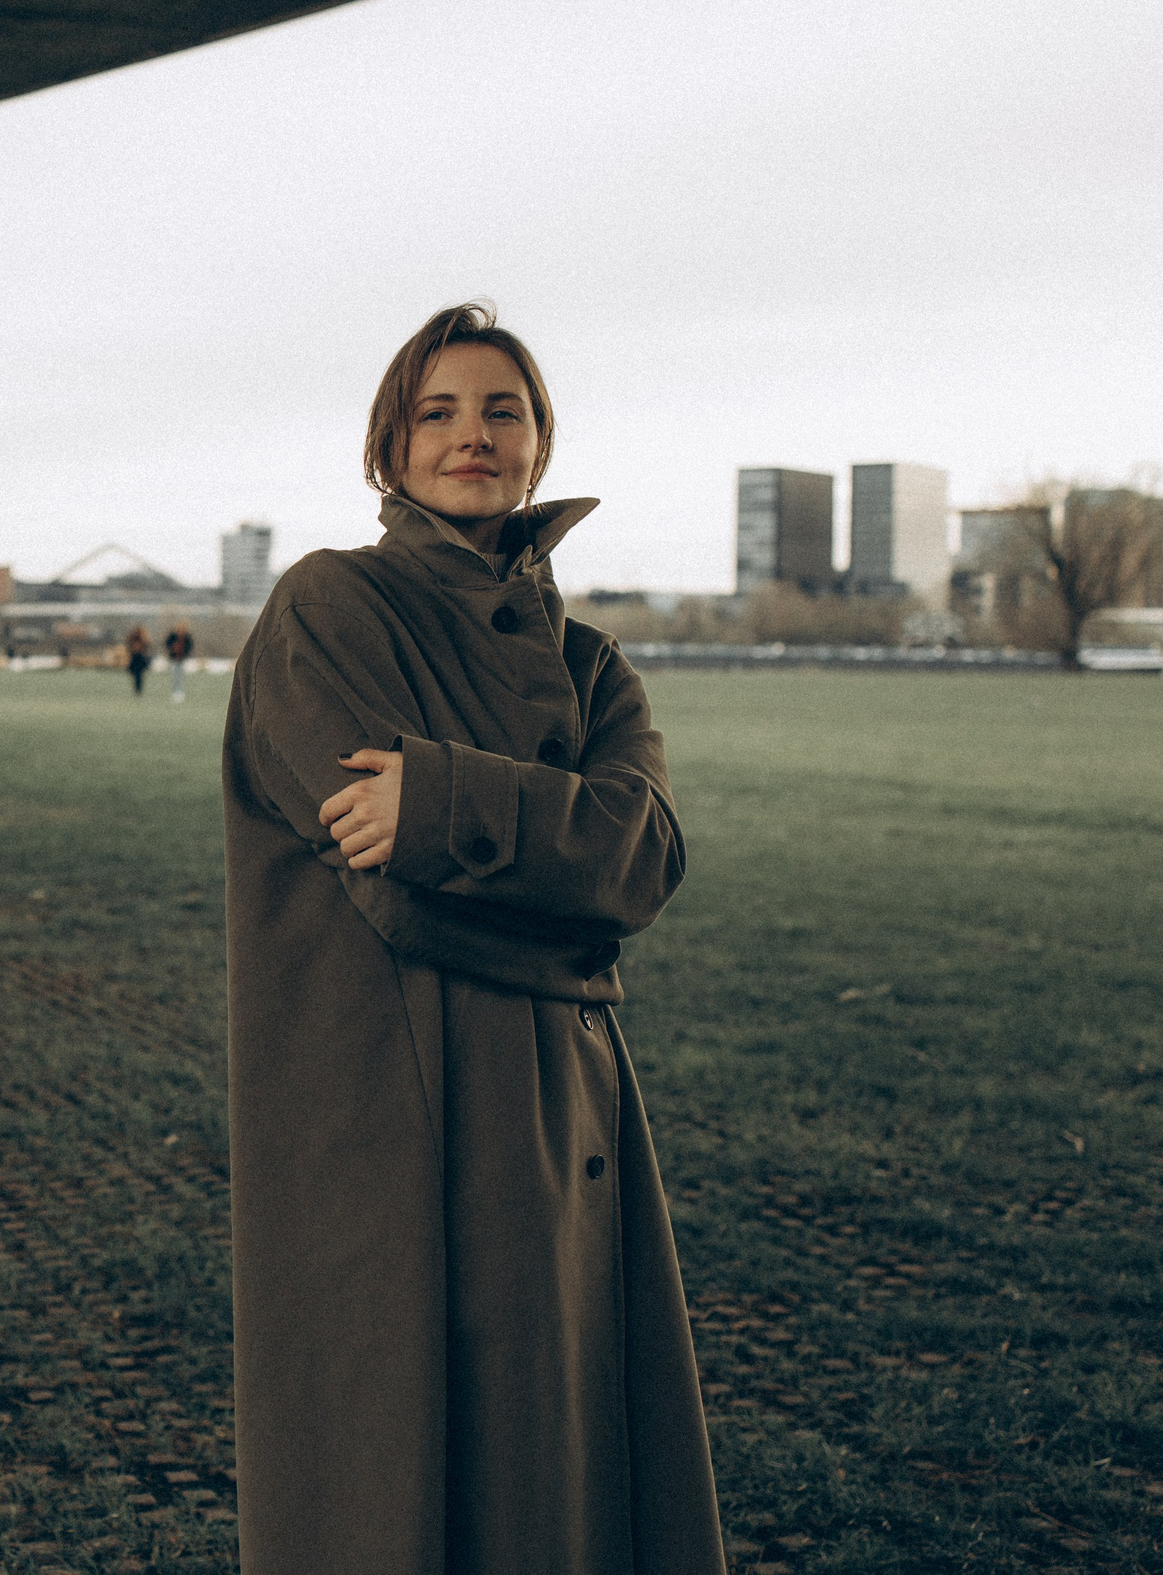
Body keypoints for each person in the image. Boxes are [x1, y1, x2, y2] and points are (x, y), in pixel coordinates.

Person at [222, 303, 723, 1575]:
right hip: (382, 1108)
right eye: (436, 411)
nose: (472, 436)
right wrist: (579, 937)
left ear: (541, 443)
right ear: (389, 446)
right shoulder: (328, 609)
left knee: (557, 1478)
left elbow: (647, 858)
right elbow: (391, 892)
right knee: (390, 1479)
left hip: (563, 1117)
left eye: (503, 410)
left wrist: (442, 804)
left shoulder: (593, 665)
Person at [165, 621, 195, 702]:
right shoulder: (173, 636)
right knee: (174, 676)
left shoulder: (187, 636)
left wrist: (185, 653)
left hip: (182, 659)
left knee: (180, 676)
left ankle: (180, 693)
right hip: (173, 658)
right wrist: (172, 649)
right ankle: (175, 693)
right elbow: (167, 644)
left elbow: (190, 646)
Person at [124, 623, 153, 697]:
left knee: (139, 676)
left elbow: (148, 646)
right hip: (134, 657)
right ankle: (137, 690)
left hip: (140, 658)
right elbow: (128, 644)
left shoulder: (144, 638)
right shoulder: (133, 637)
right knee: (135, 675)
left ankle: (138, 690)